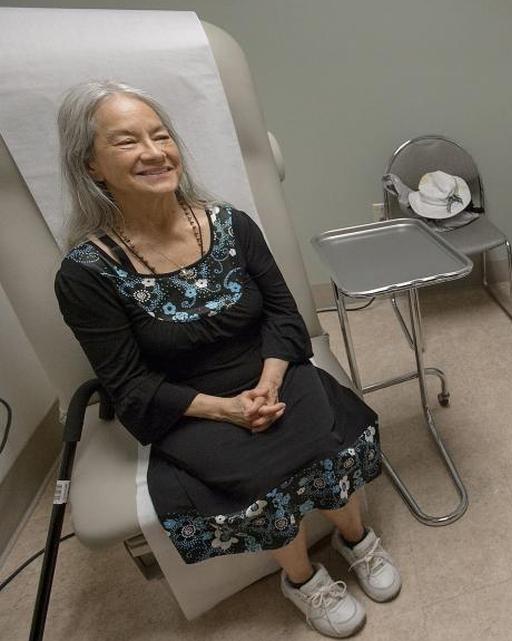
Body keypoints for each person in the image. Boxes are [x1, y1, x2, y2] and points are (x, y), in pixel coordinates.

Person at [53, 81, 400, 638]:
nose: (153, 151)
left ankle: (356, 538)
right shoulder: (86, 274)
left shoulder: (230, 224)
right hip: (188, 401)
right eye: (127, 142)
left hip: (271, 369)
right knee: (255, 471)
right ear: (91, 165)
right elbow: (131, 386)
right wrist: (229, 410)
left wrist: (269, 381)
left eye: (161, 135)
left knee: (326, 437)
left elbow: (284, 315)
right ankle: (303, 580)